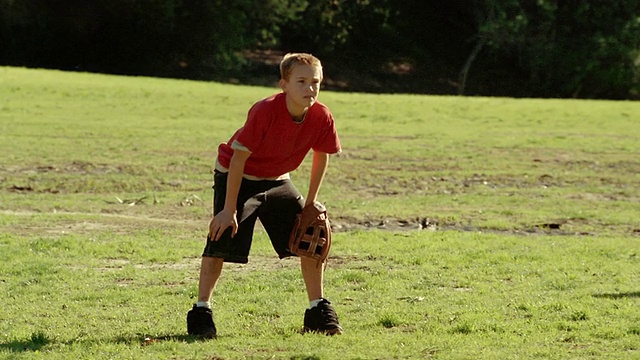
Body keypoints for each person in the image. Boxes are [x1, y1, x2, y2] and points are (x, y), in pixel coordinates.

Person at [186, 53, 343, 338]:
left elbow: (322, 156)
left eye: (315, 82)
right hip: (238, 175)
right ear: (284, 84)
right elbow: (238, 159)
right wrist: (229, 209)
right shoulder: (265, 111)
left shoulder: (321, 115)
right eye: (301, 81)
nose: (310, 88)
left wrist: (310, 204)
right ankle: (201, 311)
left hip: (279, 179)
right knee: (221, 237)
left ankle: (317, 309)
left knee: (311, 236)